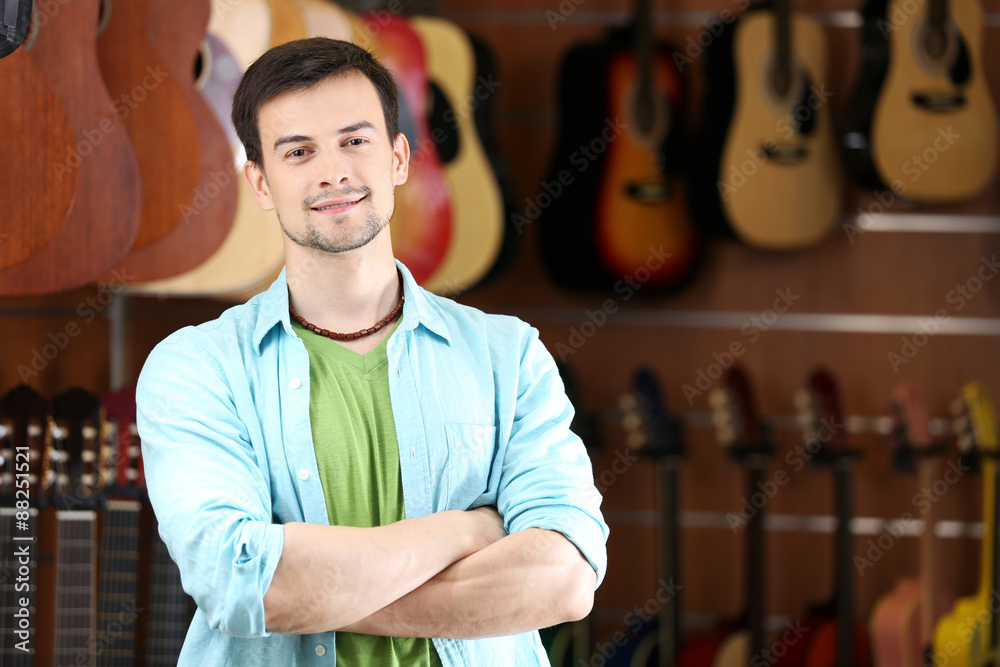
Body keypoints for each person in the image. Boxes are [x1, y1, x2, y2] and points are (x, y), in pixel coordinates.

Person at [136, 37, 608, 666]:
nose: (332, 172)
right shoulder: (195, 369)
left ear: (398, 158)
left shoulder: (509, 356)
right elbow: (240, 581)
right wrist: (471, 530)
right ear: (261, 183)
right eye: (298, 152)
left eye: (354, 141)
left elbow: (566, 578)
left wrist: (311, 594)